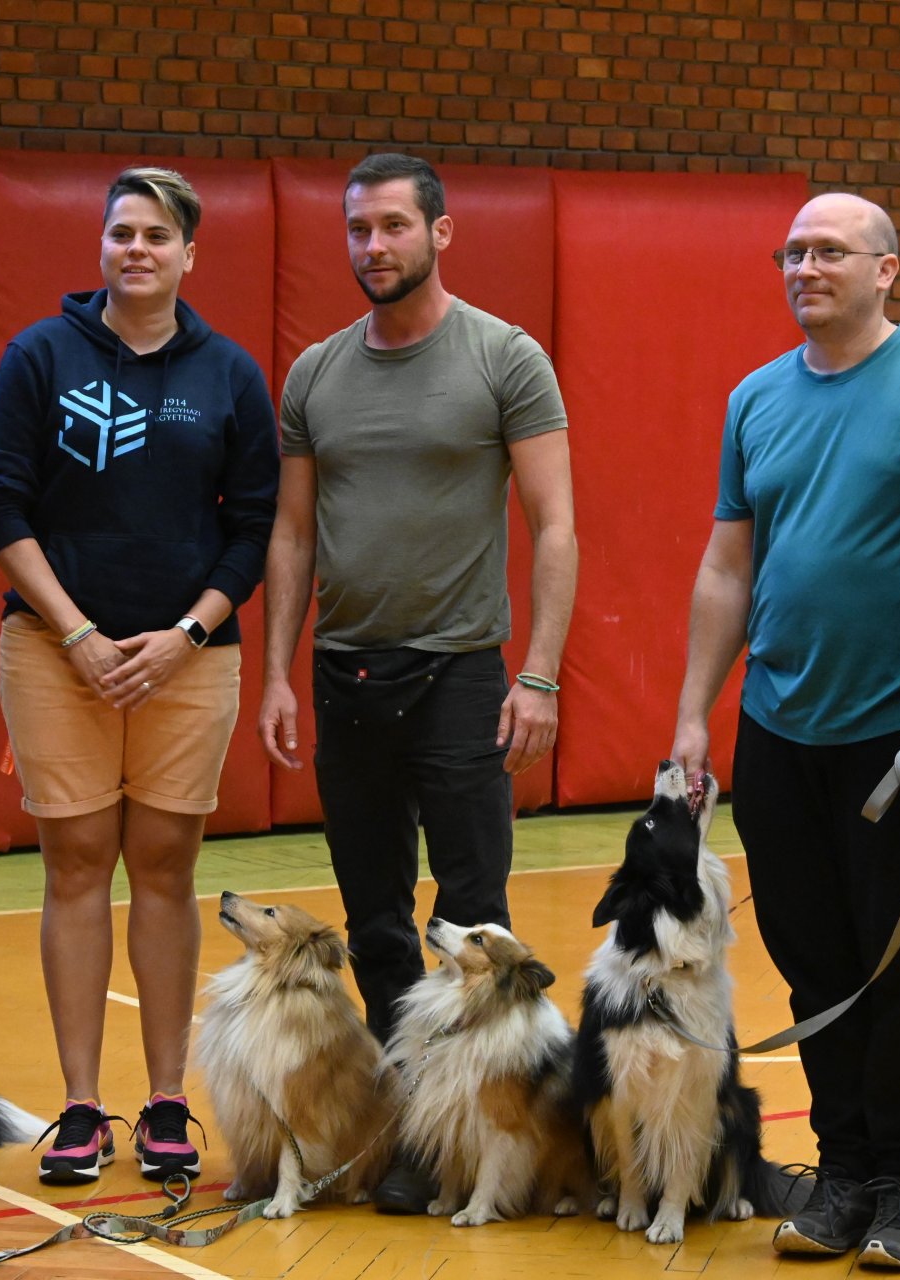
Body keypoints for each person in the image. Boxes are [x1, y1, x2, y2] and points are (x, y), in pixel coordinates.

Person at [671, 193, 900, 1269]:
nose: (804, 267)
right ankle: (844, 1166)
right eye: (793, 252)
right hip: (779, 729)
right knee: (812, 961)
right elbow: (728, 564)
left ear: (887, 269)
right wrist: (691, 714)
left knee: (899, 968)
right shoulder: (755, 397)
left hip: (897, 739)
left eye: (829, 251)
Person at [256, 152, 577, 1211]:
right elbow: (292, 533)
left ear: (441, 233)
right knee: (379, 920)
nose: (373, 247)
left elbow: (556, 525)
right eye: (358, 229)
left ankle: (483, 1133)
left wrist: (536, 672)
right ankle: (412, 1123)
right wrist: (277, 674)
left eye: (394, 226)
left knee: (474, 913)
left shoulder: (506, 357)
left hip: (461, 676)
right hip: (344, 676)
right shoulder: (313, 373)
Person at [0, 167, 279, 1186]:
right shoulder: (38, 355)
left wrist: (185, 634)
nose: (136, 249)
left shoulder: (228, 372)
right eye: (120, 233)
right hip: (61, 655)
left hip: (187, 659)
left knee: (162, 864)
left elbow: (253, 527)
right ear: (100, 247)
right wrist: (78, 633)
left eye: (156, 235)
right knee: (75, 863)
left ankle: (165, 1098)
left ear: (191, 253)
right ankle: (78, 1105)